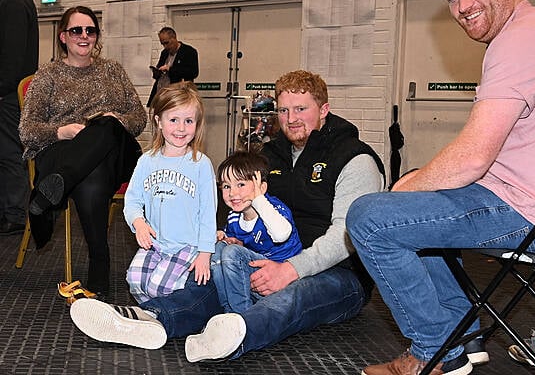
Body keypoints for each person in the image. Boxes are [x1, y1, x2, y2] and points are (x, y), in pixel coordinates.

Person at [346, 0, 535, 374]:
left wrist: (404, 187)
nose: (463, 5)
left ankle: (433, 353)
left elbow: (472, 158)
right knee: (411, 211)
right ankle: (461, 338)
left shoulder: (521, 40)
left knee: (369, 218)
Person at [69, 70, 385, 360]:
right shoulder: (270, 155)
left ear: (324, 110)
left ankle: (236, 332)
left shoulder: (354, 159)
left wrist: (291, 269)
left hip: (337, 274)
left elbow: (348, 236)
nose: (291, 119)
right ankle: (150, 319)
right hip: (265, 258)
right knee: (216, 268)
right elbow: (244, 207)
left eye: (301, 109)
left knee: (293, 298)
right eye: (284, 110)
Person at [19, 6, 146, 295]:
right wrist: (61, 131)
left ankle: (52, 191)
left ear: (97, 36)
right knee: (91, 177)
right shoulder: (47, 75)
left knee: (105, 125)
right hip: (63, 150)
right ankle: (99, 269)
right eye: (77, 30)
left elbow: (139, 118)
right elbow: (27, 131)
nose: (84, 36)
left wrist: (115, 122)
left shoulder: (112, 70)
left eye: (90, 30)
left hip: (113, 153)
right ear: (63, 36)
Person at [124, 82, 217, 304]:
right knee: (134, 279)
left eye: (188, 121)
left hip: (187, 246)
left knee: (159, 286)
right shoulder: (147, 161)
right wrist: (139, 223)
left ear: (197, 124)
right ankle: (150, 313)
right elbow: (133, 200)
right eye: (173, 120)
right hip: (157, 243)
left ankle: (162, 313)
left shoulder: (201, 164)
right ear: (159, 121)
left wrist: (205, 253)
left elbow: (208, 213)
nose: (181, 128)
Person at [211, 150, 302, 314]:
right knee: (218, 249)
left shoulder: (274, 208)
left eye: (241, 184)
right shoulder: (233, 217)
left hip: (283, 282)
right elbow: (237, 243)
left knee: (231, 252)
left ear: (262, 187)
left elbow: (281, 234)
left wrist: (259, 199)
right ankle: (227, 310)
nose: (232, 193)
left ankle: (243, 316)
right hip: (257, 278)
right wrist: (225, 237)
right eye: (226, 186)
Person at [0, 0, 37, 235]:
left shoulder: (12, 1)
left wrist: (1, 89)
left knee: (9, 154)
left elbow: (10, 57)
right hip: (10, 93)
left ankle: (13, 215)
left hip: (8, 95)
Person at [147, 27, 199, 107]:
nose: (165, 46)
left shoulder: (189, 51)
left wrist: (170, 69)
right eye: (162, 44)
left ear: (174, 38)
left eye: (166, 43)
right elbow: (160, 68)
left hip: (178, 93)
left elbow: (193, 72)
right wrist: (156, 72)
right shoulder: (164, 53)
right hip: (162, 92)